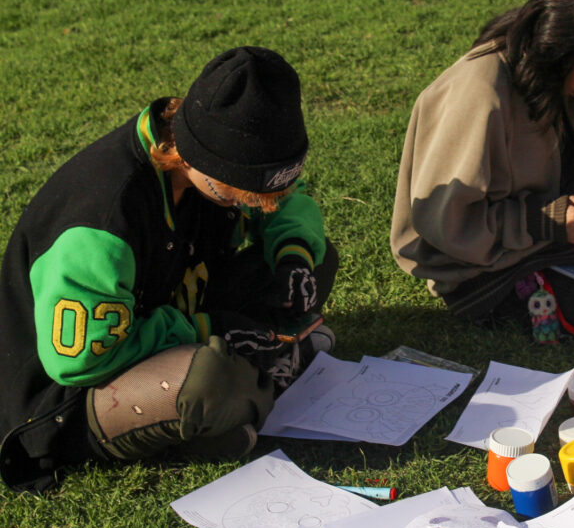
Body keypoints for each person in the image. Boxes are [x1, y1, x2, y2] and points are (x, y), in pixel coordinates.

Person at [0, 46, 338, 492]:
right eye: (242, 195)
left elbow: (281, 202)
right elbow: (81, 362)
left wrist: (293, 257)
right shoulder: (102, 223)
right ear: (200, 161)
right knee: (209, 385)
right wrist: (205, 327)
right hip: (67, 391)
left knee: (317, 259)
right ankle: (235, 392)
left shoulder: (211, 157)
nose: (258, 206)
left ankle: (254, 373)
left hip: (165, 312)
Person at [390, 0, 574, 342]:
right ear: (564, 44)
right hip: (483, 271)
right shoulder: (479, 92)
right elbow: (447, 225)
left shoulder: (560, 77)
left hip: (549, 248)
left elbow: (573, 166)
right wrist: (544, 222)